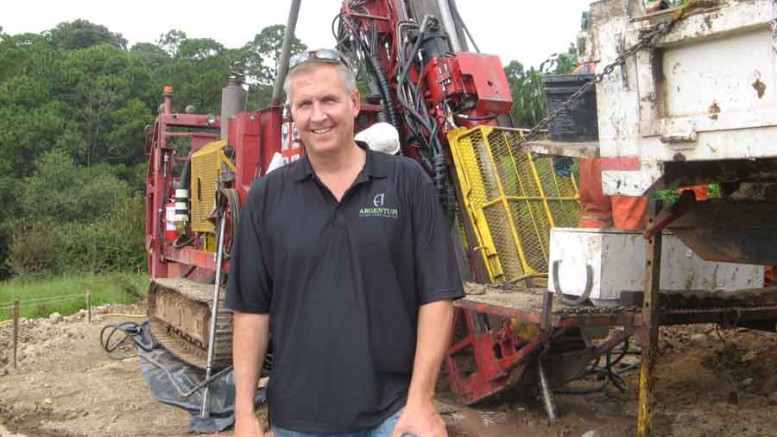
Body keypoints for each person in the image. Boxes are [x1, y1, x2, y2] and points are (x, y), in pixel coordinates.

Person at [226, 48, 465, 437]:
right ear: (293, 113)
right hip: (297, 420)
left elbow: (437, 296)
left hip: (391, 414)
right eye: (305, 104)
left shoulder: (406, 182)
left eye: (328, 100)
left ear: (354, 103)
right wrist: (245, 414)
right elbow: (251, 310)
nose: (317, 115)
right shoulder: (268, 197)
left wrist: (421, 401)